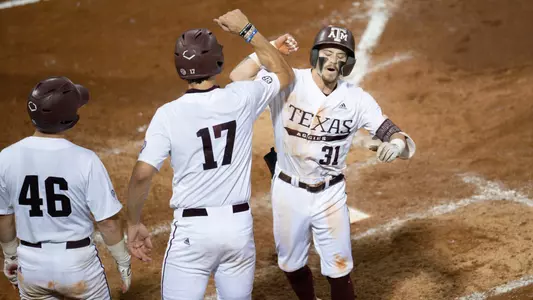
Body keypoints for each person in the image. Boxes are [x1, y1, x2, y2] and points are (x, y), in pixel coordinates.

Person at [229, 25, 416, 300]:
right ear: (315, 55)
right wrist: (267, 49)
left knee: (339, 267)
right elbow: (238, 77)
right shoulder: (288, 81)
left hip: (330, 193)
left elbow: (392, 131)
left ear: (349, 64)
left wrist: (397, 144)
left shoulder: (357, 99)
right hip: (288, 191)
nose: (333, 61)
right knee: (290, 264)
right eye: (328, 53)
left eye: (341, 57)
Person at [125, 9, 294, 300]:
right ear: (217, 61)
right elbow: (283, 73)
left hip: (192, 232)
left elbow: (142, 174)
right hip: (238, 229)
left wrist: (133, 222)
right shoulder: (241, 97)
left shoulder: (167, 114)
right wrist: (249, 32)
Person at [0, 76, 131, 299]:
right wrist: (123, 260)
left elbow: (4, 218)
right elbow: (108, 222)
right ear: (70, 119)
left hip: (31, 266)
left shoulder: (5, 158)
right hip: (77, 267)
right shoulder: (85, 160)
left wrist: (11, 257)